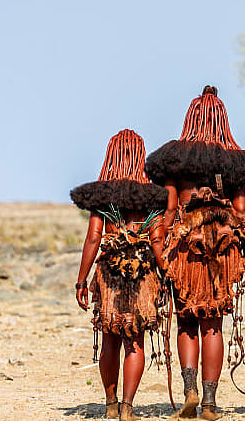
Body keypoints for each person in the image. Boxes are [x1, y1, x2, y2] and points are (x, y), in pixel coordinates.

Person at [146, 86, 245, 420]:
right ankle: (209, 403)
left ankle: (190, 391)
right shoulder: (236, 163)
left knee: (186, 321)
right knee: (213, 324)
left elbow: (168, 212)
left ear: (191, 118)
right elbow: (243, 214)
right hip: (223, 252)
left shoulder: (174, 161)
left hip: (184, 249)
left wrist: (160, 252)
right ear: (222, 119)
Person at [71, 129, 170, 421]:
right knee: (134, 340)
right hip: (142, 274)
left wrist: (81, 281)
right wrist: (166, 275)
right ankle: (128, 407)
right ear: (141, 156)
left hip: (109, 274)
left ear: (111, 155)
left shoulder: (102, 195)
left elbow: (93, 238)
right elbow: (157, 240)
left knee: (109, 339)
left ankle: (110, 403)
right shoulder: (152, 195)